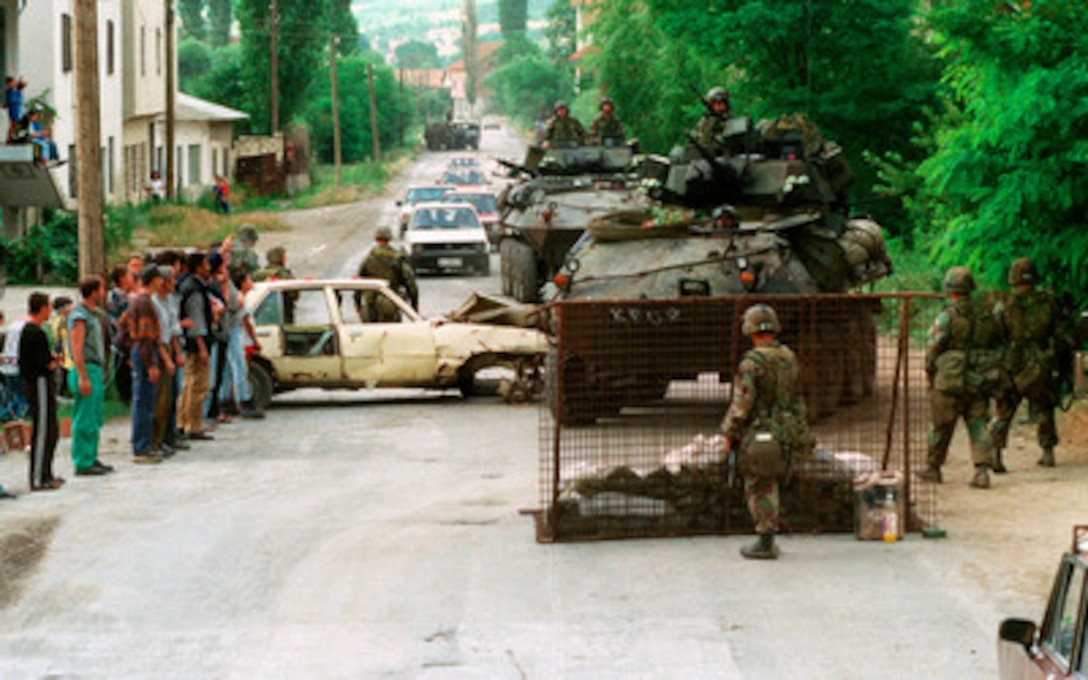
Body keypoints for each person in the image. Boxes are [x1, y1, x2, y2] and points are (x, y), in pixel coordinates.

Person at [721, 304, 813, 560]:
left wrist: (729, 432)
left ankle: (765, 540)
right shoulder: (788, 357)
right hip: (787, 428)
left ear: (749, 329)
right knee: (777, 478)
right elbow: (797, 396)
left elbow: (742, 405)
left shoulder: (752, 363)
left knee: (760, 483)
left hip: (762, 431)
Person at [920, 267, 1005, 489]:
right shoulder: (986, 315)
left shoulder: (947, 316)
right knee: (978, 424)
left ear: (950, 290)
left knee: (941, 425)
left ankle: (933, 468)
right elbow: (999, 342)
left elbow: (933, 347)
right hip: (978, 379)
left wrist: (929, 371)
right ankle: (981, 471)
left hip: (950, 381)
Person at [990, 258, 1066, 469]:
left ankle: (995, 454)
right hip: (1041, 361)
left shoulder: (1004, 304)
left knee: (1004, 409)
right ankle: (1048, 452)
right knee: (1044, 408)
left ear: (1013, 278)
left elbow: (996, 336)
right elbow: (1060, 334)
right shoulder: (1048, 302)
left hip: (1013, 363)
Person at [68, 276, 115, 476]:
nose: (103, 293)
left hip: (95, 368)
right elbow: (77, 348)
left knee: (94, 416)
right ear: (93, 291)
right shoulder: (79, 316)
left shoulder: (93, 314)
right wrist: (82, 376)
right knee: (84, 417)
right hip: (85, 367)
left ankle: (91, 455)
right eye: (101, 289)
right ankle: (82, 460)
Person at [122, 266, 168, 464]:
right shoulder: (145, 303)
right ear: (154, 280)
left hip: (138, 351)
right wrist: (151, 364)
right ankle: (142, 446)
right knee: (144, 402)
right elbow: (146, 337)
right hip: (145, 353)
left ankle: (142, 443)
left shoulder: (136, 301)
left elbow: (122, 326)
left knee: (143, 400)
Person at [19, 292, 63, 490]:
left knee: (52, 429)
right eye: (49, 306)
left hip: (42, 383)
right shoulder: (33, 332)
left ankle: (47, 473)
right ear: (42, 308)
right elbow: (41, 363)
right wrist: (54, 362)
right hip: (39, 384)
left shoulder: (36, 331)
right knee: (43, 430)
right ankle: (38, 477)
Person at [177, 252, 215, 441]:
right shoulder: (195, 290)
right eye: (206, 264)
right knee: (197, 385)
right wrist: (202, 347)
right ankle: (192, 424)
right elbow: (197, 321)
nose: (209, 267)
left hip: (191, 343)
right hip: (196, 344)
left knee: (189, 384)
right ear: (199, 267)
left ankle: (183, 422)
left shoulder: (189, 286)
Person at [356, 226, 418, 321]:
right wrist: (414, 304)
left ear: (376, 238)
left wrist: (357, 303)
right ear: (389, 239)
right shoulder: (396, 258)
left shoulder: (369, 258)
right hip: (391, 302)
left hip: (371, 306)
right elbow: (410, 283)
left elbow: (359, 282)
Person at [691, 86, 740, 156]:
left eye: (722, 104)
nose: (720, 107)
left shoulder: (734, 121)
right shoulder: (703, 123)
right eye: (717, 104)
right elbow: (697, 142)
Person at [49, 296, 74, 397]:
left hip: (66, 351)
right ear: (62, 308)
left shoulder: (60, 320)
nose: (71, 308)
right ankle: (64, 394)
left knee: (65, 375)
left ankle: (64, 393)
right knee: (66, 374)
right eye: (69, 306)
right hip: (65, 352)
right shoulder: (61, 321)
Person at [4, 76, 26, 142]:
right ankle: (9, 138)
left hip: (19, 107)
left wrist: (20, 83)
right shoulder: (9, 91)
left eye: (13, 82)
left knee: (19, 123)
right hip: (14, 108)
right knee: (14, 123)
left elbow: (22, 85)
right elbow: (9, 101)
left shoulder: (17, 89)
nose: (12, 84)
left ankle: (16, 137)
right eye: (10, 83)